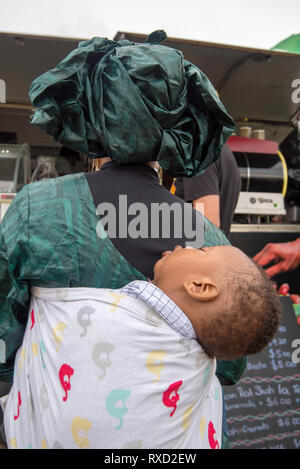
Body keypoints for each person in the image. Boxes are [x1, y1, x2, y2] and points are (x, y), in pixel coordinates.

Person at [0, 32, 240, 448]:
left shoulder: (36, 209)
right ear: (172, 124)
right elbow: (230, 366)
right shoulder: (208, 242)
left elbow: (5, 331)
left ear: (95, 115)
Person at [0, 245, 281, 449]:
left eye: (202, 251)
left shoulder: (84, 307)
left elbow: (51, 309)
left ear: (199, 286)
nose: (184, 245)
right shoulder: (209, 368)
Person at [175, 144, 241, 239]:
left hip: (197, 251)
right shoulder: (216, 147)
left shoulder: (199, 153)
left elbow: (208, 227)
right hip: (215, 251)